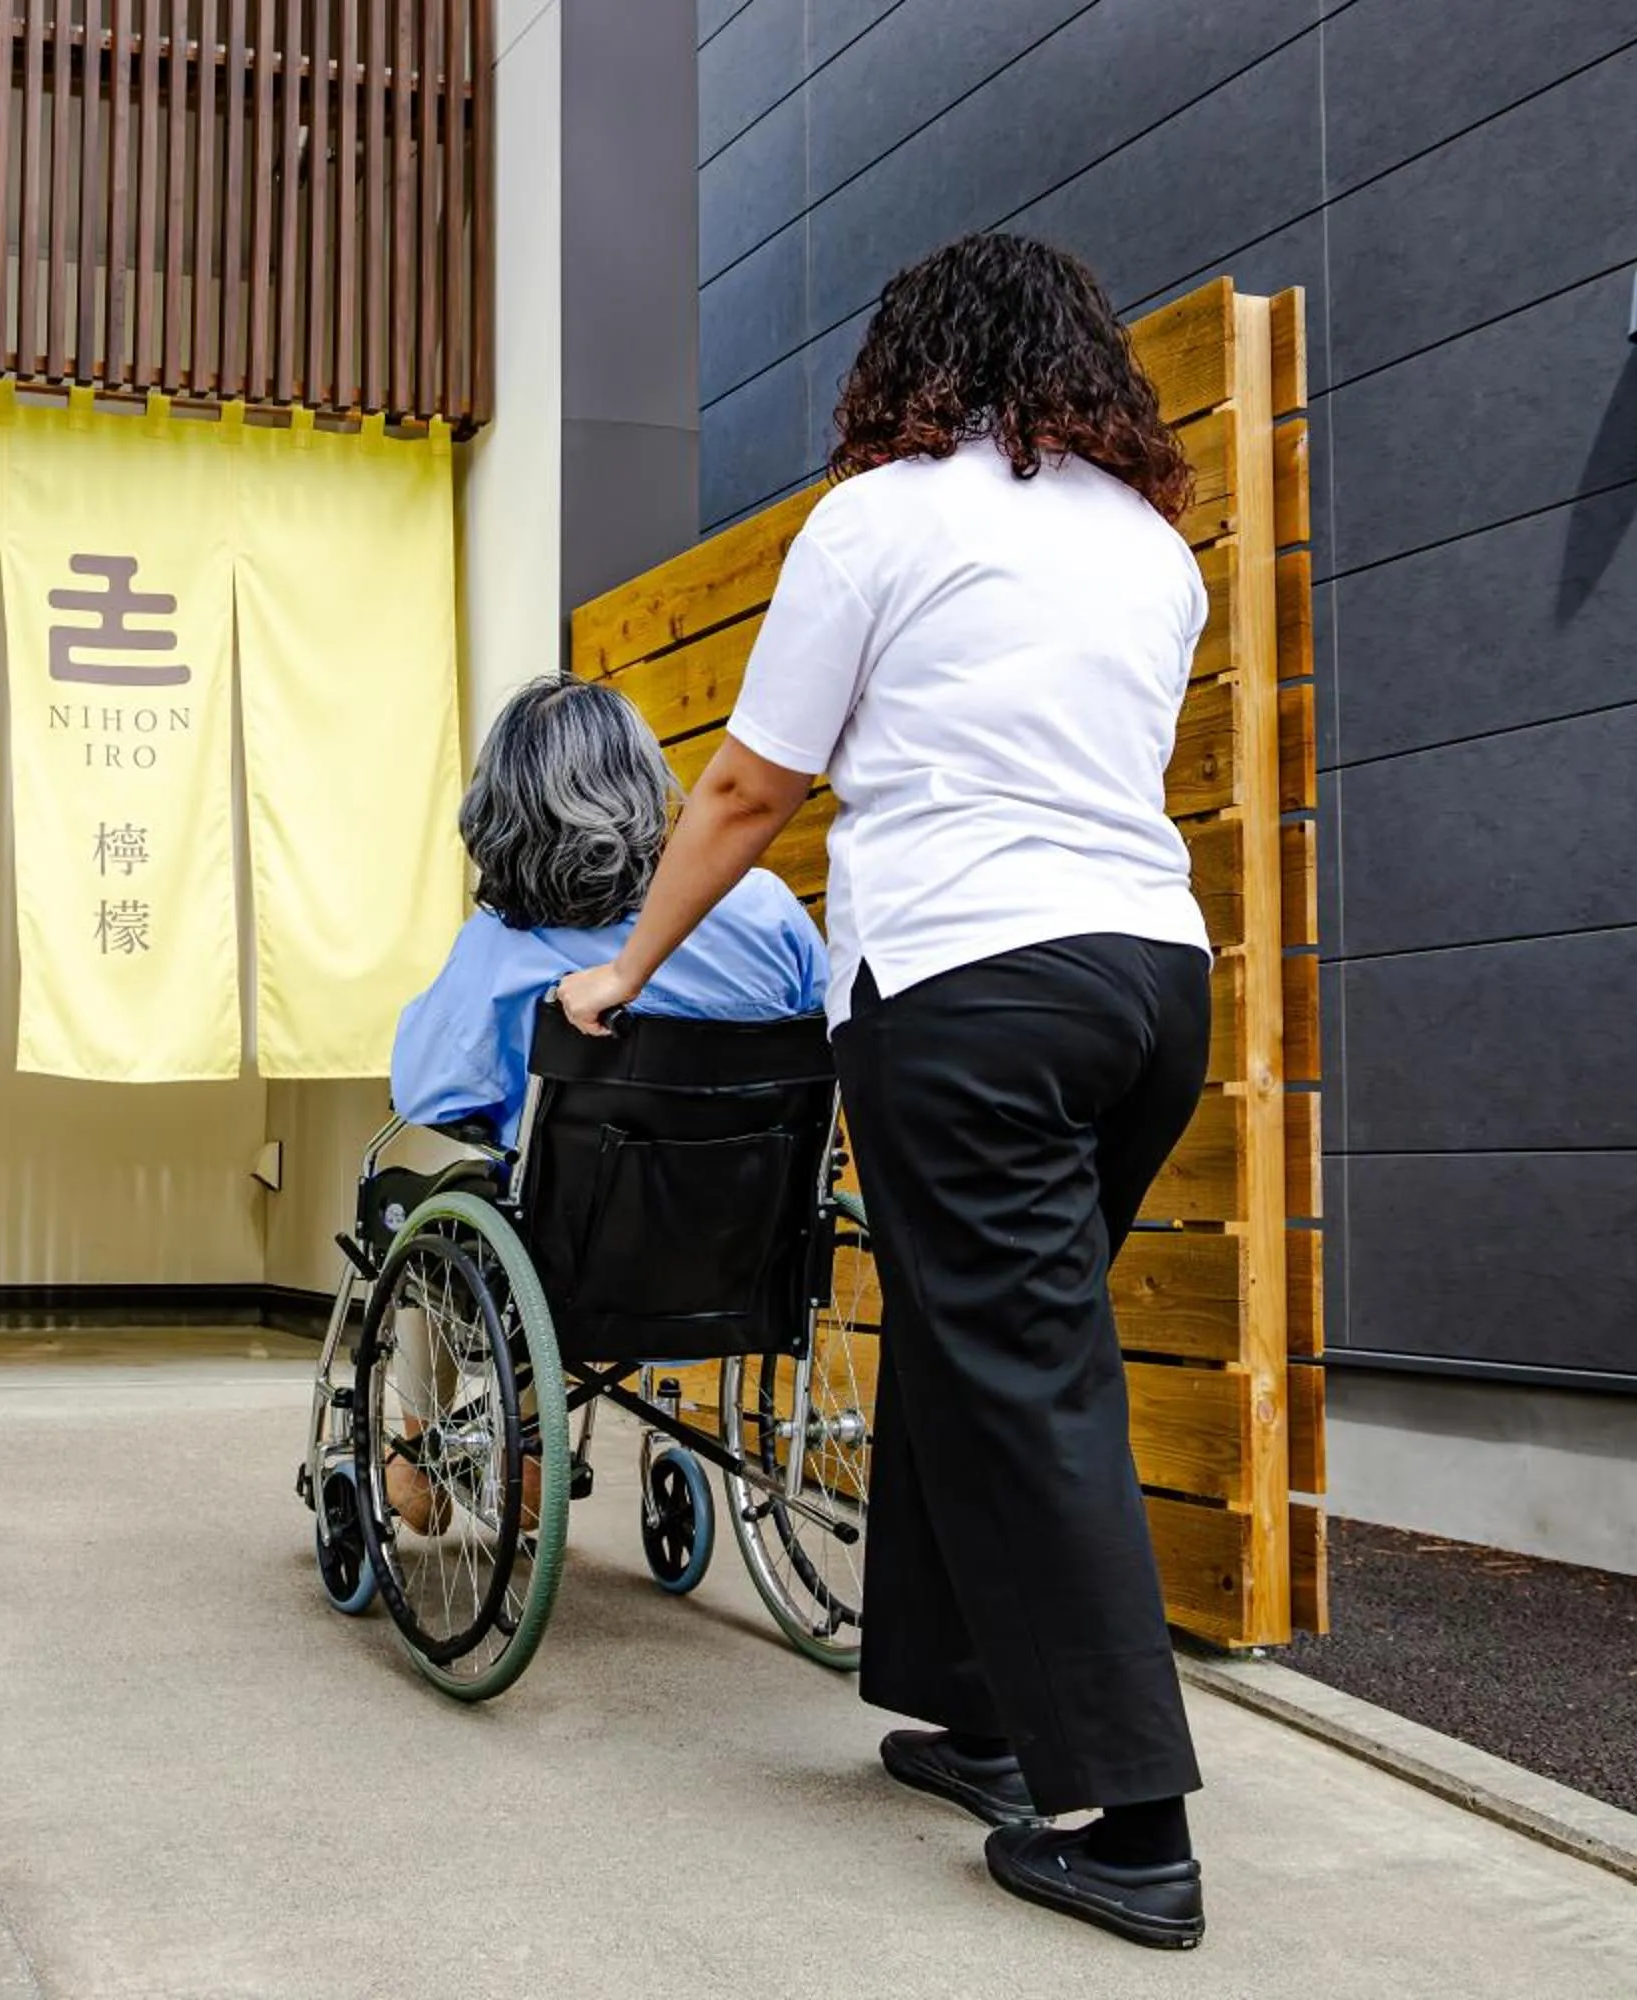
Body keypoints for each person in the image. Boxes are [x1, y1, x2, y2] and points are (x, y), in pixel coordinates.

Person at [554, 233, 1218, 1951]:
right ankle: (974, 1713)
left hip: (974, 989)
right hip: (1153, 989)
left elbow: (748, 788)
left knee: (1025, 1371)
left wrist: (624, 971)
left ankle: (1137, 1830)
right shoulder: (1154, 550)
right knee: (966, 1336)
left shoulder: (881, 519)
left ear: (914, 357)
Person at [380, 675, 826, 1533]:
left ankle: (424, 1445)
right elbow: (823, 1032)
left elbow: (431, 1092)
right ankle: (526, 1443)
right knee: (532, 1222)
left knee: (438, 1219)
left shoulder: (500, 947)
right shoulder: (766, 909)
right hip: (743, 1257)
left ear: (503, 809)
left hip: (575, 1260)